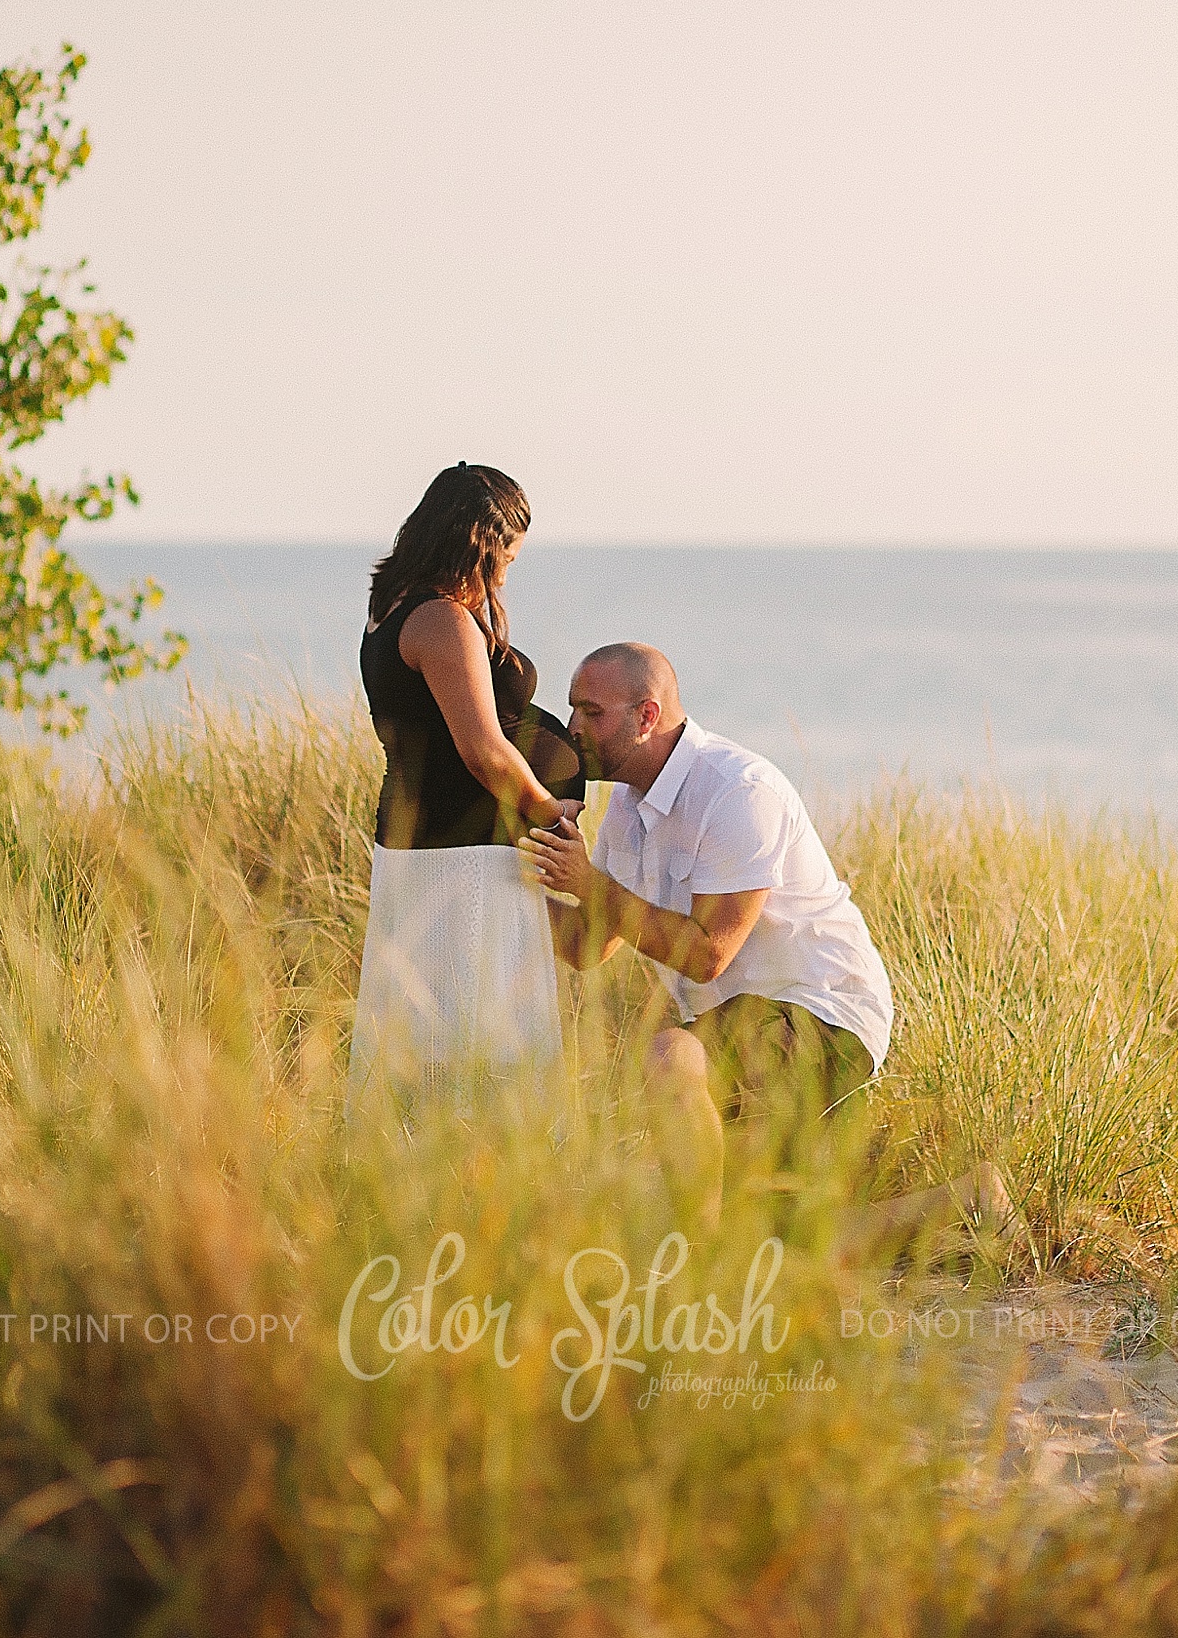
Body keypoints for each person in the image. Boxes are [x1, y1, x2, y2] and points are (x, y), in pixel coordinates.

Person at [526, 643, 1012, 1245]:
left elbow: (707, 955)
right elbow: (586, 945)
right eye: (573, 709)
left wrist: (594, 886)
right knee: (773, 1239)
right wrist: (504, 885)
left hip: (822, 1015)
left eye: (590, 711)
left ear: (646, 716)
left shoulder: (737, 789)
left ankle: (694, 1264)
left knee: (669, 1056)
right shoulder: (627, 808)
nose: (572, 727)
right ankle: (969, 1199)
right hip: (734, 1030)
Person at [349, 462, 584, 1117]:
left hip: (423, 851)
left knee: (431, 1031)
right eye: (507, 551)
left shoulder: (390, 612)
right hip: (463, 859)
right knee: (477, 1035)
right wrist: (550, 816)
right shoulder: (441, 621)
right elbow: (482, 749)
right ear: (479, 540)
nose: (508, 570)